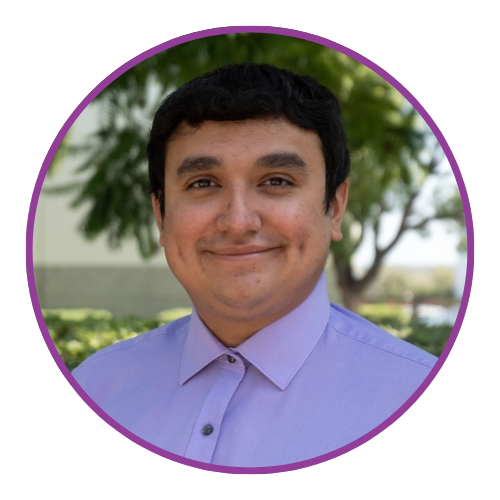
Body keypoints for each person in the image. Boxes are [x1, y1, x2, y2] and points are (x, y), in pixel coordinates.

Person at [72, 63, 437, 467]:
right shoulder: (95, 387)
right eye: (203, 183)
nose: (238, 221)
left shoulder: (410, 392)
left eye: (277, 180)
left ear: (334, 207)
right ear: (161, 215)